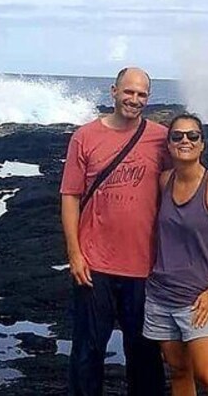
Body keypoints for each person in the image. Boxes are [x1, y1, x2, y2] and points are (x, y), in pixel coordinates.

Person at [59, 67, 167, 396]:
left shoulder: (162, 138)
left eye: (141, 94)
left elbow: (186, 185)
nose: (134, 100)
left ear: (148, 98)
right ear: (113, 91)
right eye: (128, 92)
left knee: (146, 356)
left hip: (144, 268)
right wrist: (75, 254)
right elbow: (70, 196)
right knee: (88, 352)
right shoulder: (85, 136)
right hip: (94, 267)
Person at [143, 113, 208, 396]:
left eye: (192, 136)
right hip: (160, 296)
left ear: (202, 144)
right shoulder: (164, 181)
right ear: (169, 144)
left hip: (199, 299)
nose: (185, 140)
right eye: (177, 136)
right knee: (179, 371)